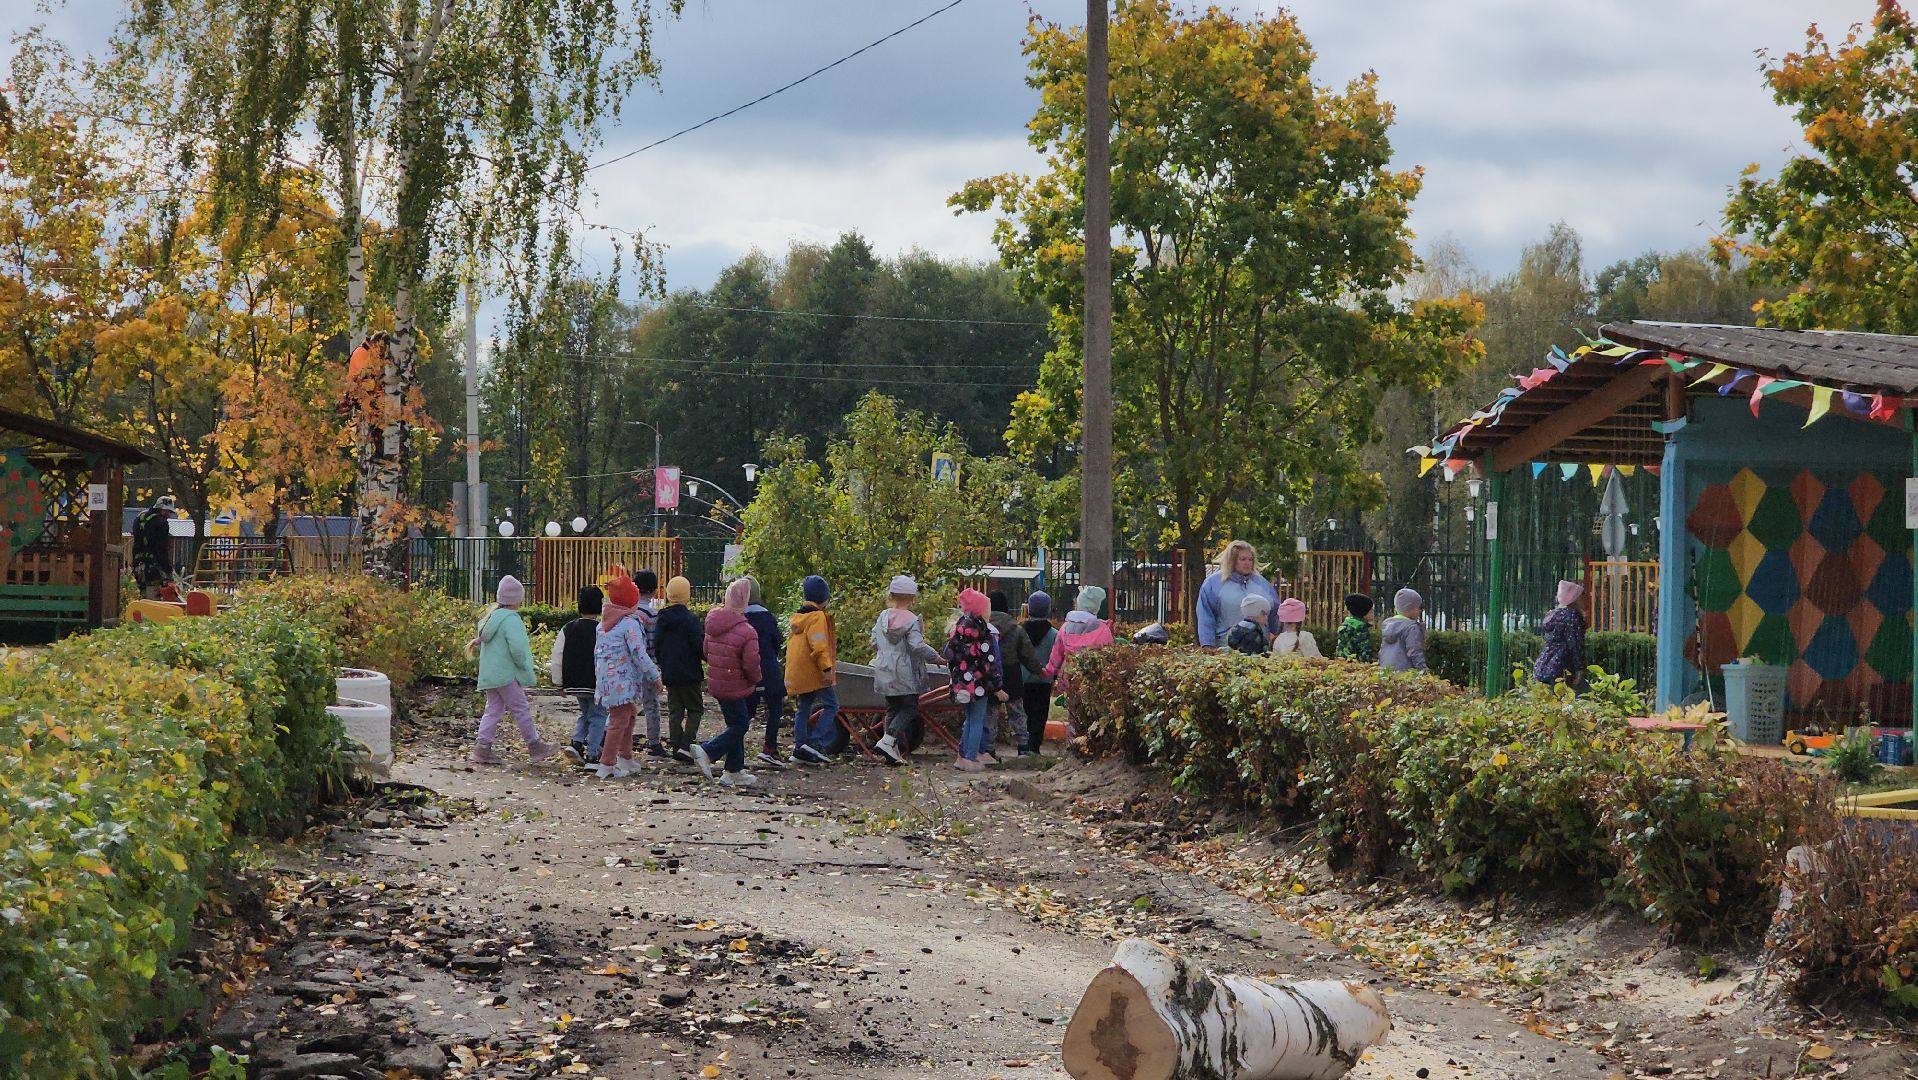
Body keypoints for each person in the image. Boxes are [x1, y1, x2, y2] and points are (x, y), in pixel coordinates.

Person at [470, 576, 562, 766]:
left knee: (493, 709)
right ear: (517, 599)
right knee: (521, 708)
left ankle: (482, 748)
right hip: (507, 674)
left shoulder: (491, 619)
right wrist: (524, 666)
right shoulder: (511, 620)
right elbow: (518, 649)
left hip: (490, 674)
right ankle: (534, 745)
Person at [693, 579, 765, 788]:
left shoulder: (713, 624)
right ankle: (708, 751)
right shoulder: (747, 631)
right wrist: (756, 680)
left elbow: (706, 651)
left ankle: (734, 770)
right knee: (741, 725)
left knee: (734, 725)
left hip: (717, 684)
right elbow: (751, 663)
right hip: (736, 685)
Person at [592, 572, 662, 779]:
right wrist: (655, 676)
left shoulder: (603, 624)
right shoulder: (630, 624)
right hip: (622, 683)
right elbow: (639, 653)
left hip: (607, 681)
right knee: (618, 721)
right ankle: (607, 764)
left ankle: (625, 757)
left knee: (629, 715)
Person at [872, 575, 945, 766]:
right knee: (910, 708)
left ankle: (892, 749)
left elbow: (873, 641)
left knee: (892, 708)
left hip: (884, 669)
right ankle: (888, 740)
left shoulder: (883, 617)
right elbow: (917, 646)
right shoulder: (911, 620)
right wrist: (935, 657)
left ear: (891, 595)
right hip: (904, 671)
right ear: (912, 597)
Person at [947, 588, 1007, 772]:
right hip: (979, 685)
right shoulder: (983, 633)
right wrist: (997, 688)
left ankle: (961, 756)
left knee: (968, 719)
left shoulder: (958, 630)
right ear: (981, 611)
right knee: (976, 721)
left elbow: (949, 654)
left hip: (960, 684)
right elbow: (989, 663)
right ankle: (970, 756)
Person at [550, 585, 606, 765]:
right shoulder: (602, 629)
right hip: (596, 682)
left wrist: (559, 682)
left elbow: (557, 656)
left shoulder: (568, 628)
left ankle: (577, 742)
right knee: (598, 715)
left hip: (574, 682)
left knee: (585, 712)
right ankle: (592, 754)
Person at [787, 575, 840, 765]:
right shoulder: (817, 617)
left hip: (799, 672)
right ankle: (815, 741)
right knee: (832, 705)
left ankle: (800, 746)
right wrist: (826, 668)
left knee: (804, 707)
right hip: (814, 671)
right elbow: (819, 646)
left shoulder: (798, 617)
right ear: (823, 597)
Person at [988, 590, 1048, 757]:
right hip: (1012, 672)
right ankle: (1023, 746)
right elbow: (1027, 654)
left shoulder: (983, 627)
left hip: (990, 673)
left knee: (991, 712)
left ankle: (989, 749)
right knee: (1017, 711)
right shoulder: (1016, 628)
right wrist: (1038, 670)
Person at [654, 575, 706, 761]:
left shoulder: (662, 619)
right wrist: (706, 657)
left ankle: (676, 744)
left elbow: (657, 645)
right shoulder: (691, 619)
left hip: (670, 672)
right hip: (690, 672)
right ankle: (686, 744)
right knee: (695, 709)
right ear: (687, 595)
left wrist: (663, 664)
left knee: (675, 711)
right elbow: (698, 644)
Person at [1194, 540, 1280, 648]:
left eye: (1250, 559)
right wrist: (1208, 644)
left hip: (1260, 649)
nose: (1247, 563)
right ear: (1232, 560)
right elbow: (1205, 616)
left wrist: (1276, 637)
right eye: (1243, 559)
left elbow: (1275, 612)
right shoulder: (1213, 584)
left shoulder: (1263, 584)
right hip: (1226, 648)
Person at [742, 577, 788, 768]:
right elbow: (777, 642)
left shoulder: (740, 618)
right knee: (775, 707)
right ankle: (770, 748)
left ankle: (734, 745)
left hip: (747, 671)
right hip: (769, 669)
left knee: (746, 711)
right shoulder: (768, 617)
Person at [1045, 586, 1115, 694]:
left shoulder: (1065, 627)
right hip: (1092, 681)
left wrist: (1049, 671)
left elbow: (1056, 655)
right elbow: (1109, 657)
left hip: (1068, 678)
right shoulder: (1103, 630)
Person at [1018, 592, 1061, 756]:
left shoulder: (1020, 631)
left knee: (1024, 711)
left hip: (1023, 678)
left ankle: (1024, 744)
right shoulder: (1054, 634)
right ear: (1048, 610)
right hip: (1044, 679)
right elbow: (1057, 657)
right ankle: (1035, 746)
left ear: (1029, 609)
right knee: (1040, 713)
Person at [634, 569, 667, 757]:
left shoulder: (628, 612)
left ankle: (611, 737)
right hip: (646, 665)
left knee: (623, 705)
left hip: (627, 665)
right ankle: (654, 742)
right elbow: (653, 643)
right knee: (651, 705)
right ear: (654, 591)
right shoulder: (652, 615)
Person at [1534, 580, 1588, 686]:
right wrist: (1579, 669)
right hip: (1562, 668)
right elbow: (1575, 644)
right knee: (1581, 694)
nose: (1584, 598)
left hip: (1544, 666)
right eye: (1582, 595)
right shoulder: (1572, 617)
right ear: (1575, 598)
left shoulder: (1553, 614)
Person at [132, 495, 176, 598]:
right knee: (153, 598)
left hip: (138, 564)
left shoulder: (140, 518)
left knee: (144, 596)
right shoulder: (162, 523)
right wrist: (168, 571)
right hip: (153, 567)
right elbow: (162, 549)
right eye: (168, 512)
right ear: (162, 510)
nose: (169, 515)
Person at [1379, 588, 1429, 673]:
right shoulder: (1411, 627)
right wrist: (1423, 670)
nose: (1420, 611)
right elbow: (1415, 652)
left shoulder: (1387, 625)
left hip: (1387, 671)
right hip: (1406, 673)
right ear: (1410, 607)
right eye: (1420, 607)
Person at [1335, 593, 1377, 663]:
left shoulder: (1346, 624)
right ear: (1363, 611)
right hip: (1356, 664)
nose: (1373, 613)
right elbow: (1364, 651)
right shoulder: (1361, 628)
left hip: (1342, 662)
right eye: (1371, 610)